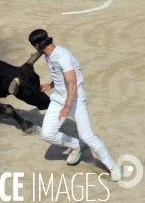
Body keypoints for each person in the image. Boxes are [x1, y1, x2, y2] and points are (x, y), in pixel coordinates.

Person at [28, 29, 123, 183]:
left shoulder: (63, 56)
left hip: (75, 100)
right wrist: (50, 85)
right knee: (47, 134)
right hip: (58, 99)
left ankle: (112, 166)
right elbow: (61, 77)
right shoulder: (48, 56)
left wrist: (67, 106)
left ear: (37, 45)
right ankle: (77, 145)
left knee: (87, 135)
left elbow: (72, 82)